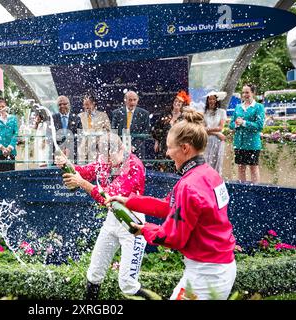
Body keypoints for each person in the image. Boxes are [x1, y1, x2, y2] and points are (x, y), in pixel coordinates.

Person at [107, 110, 236, 300]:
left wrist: (143, 230)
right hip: (219, 267)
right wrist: (129, 201)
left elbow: (174, 238)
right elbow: (170, 206)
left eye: (169, 147)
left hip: (205, 276)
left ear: (185, 148)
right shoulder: (209, 174)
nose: (166, 153)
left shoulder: (188, 185)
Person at [55, 133, 153, 300]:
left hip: (132, 223)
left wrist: (81, 183)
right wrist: (67, 164)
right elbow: (84, 172)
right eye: (102, 155)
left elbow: (108, 198)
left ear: (122, 149)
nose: (105, 161)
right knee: (94, 273)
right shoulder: (105, 159)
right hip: (112, 220)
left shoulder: (134, 165)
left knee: (127, 284)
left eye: (108, 155)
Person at [229, 84, 265, 183]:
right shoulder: (238, 107)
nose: (245, 94)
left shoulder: (258, 107)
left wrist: (244, 123)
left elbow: (259, 126)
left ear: (253, 93)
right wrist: (236, 123)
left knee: (253, 168)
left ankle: (256, 191)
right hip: (239, 143)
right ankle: (242, 190)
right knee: (241, 168)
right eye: (243, 92)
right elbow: (231, 125)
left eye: (247, 92)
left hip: (253, 144)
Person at [151, 90, 191, 172]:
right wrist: (156, 141)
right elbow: (157, 128)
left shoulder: (184, 117)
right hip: (164, 145)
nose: (177, 103)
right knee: (162, 166)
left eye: (179, 102)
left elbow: (187, 132)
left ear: (182, 105)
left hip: (178, 146)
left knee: (175, 166)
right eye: (176, 101)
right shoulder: (165, 114)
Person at [111, 91, 150, 160]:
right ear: (125, 100)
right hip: (119, 150)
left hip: (137, 150)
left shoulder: (144, 114)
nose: (132, 103)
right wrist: (121, 145)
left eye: (134, 100)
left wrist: (134, 145)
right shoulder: (116, 113)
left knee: (136, 169)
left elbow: (146, 132)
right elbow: (113, 131)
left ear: (138, 100)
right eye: (130, 100)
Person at [77, 92, 111, 164]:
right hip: (83, 149)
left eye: (88, 104)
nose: (86, 107)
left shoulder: (103, 115)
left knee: (96, 167)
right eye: (84, 105)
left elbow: (108, 131)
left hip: (98, 148)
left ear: (93, 103)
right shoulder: (80, 116)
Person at [0, 98, 18, 172]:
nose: (1, 108)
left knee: (11, 176)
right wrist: (2, 148)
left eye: (2, 106)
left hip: (10, 152)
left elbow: (16, 134)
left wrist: (9, 148)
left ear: (6, 107)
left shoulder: (13, 118)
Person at [203, 91, 228, 175]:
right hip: (208, 140)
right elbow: (202, 129)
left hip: (218, 141)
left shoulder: (221, 112)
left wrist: (209, 130)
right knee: (207, 161)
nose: (211, 101)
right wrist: (217, 133)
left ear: (216, 100)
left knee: (217, 162)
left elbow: (220, 127)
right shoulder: (204, 113)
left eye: (213, 99)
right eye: (210, 99)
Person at [52, 95, 82, 160]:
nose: (62, 106)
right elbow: (49, 136)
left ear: (69, 105)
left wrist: (69, 148)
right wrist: (59, 148)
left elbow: (80, 137)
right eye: (60, 104)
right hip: (56, 155)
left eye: (65, 104)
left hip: (72, 154)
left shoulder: (76, 118)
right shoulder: (52, 118)